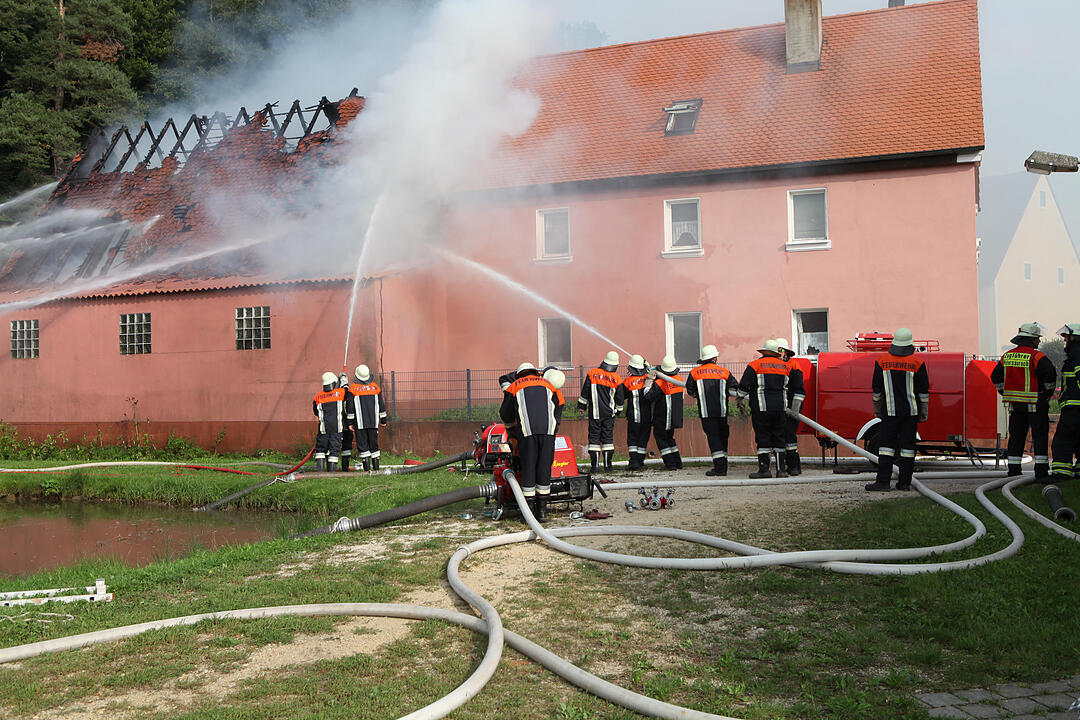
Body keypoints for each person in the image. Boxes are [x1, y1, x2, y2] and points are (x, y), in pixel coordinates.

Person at [864, 328, 930, 491]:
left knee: (886, 448)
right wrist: (923, 412)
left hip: (889, 413)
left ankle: (883, 482)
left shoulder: (881, 362)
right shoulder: (918, 363)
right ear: (909, 345)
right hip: (911, 414)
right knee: (908, 449)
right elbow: (923, 392)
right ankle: (904, 483)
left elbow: (877, 390)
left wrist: (877, 409)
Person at [990, 323, 1056, 479]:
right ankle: (1041, 473)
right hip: (1035, 405)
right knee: (1039, 437)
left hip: (1015, 406)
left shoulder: (1007, 356)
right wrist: (1046, 395)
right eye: (1038, 338)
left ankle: (1013, 472)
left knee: (1016, 438)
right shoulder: (1037, 357)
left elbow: (995, 377)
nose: (1039, 341)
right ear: (1032, 340)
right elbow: (1050, 378)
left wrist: (1004, 392)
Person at [500, 362, 562, 522]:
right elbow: (558, 406)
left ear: (519, 374)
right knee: (544, 467)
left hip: (527, 432)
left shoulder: (515, 386)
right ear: (535, 372)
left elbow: (505, 413)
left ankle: (528, 513)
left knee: (529, 467)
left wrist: (511, 428)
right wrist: (554, 428)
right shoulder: (548, 384)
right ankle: (542, 512)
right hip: (548, 431)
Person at [738, 339, 792, 478]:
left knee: (763, 438)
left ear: (764, 352)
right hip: (780, 407)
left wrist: (739, 397)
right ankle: (781, 470)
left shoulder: (755, 365)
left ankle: (764, 470)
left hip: (761, 408)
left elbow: (744, 386)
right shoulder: (786, 366)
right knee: (779, 437)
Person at [686, 344, 739, 476]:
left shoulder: (694, 373)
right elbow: (735, 386)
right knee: (723, 436)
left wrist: (700, 395)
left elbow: (690, 391)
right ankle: (723, 465)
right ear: (715, 358)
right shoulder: (724, 372)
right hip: (722, 411)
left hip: (706, 412)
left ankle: (719, 468)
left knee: (713, 437)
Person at [578, 351, 623, 472]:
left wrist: (582, 406)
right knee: (608, 439)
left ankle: (595, 467)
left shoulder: (592, 374)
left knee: (594, 439)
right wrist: (619, 410)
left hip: (595, 414)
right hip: (609, 414)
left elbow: (585, 392)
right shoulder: (617, 379)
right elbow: (619, 398)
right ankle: (608, 466)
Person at [1051, 324, 1080, 483]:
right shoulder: (1075, 354)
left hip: (1074, 408)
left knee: (1062, 442)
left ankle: (1061, 474)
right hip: (1074, 407)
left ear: (1074, 337)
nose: (1065, 341)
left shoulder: (1077, 354)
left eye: (1066, 338)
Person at [644, 356, 684, 470]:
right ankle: (677, 462)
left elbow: (648, 396)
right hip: (675, 416)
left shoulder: (661, 383)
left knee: (660, 437)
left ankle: (670, 464)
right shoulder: (679, 379)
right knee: (670, 438)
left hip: (663, 416)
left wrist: (649, 381)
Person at [346, 364, 388, 471]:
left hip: (360, 424)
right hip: (373, 423)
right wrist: (383, 420)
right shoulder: (375, 387)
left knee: (363, 446)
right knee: (374, 445)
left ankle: (367, 471)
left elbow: (350, 407)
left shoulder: (353, 389)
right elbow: (381, 404)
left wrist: (350, 423)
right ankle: (376, 470)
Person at [775, 338, 807, 476]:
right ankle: (782, 467)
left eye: (781, 350)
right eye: (777, 351)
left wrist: (795, 409)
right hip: (779, 407)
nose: (779, 353)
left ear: (786, 352)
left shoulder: (794, 365)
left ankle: (794, 466)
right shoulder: (774, 365)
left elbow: (799, 389)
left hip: (791, 408)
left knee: (789, 436)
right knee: (779, 436)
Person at [620, 355, 652, 471]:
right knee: (643, 438)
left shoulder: (627, 381)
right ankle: (640, 462)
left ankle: (633, 462)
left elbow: (622, 396)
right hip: (647, 416)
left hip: (633, 416)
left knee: (633, 439)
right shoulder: (648, 378)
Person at [312, 371, 346, 472]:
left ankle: (320, 472)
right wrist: (344, 380)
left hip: (323, 428)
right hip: (336, 428)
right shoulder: (340, 393)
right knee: (333, 450)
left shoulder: (318, 396)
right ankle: (331, 473)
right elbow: (347, 392)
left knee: (320, 449)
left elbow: (316, 412)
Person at [338, 372, 354, 471]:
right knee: (345, 446)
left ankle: (343, 468)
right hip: (345, 424)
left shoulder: (337, 391)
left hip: (340, 424)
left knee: (344, 447)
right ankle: (344, 468)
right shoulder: (347, 392)